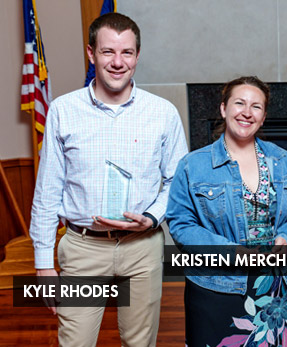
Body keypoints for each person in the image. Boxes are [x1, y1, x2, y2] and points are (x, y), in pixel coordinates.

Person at [29, 12, 188, 346]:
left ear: (137, 55)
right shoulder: (63, 110)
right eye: (107, 52)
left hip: (142, 248)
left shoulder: (162, 113)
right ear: (91, 54)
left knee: (140, 342)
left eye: (126, 52)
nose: (118, 62)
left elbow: (177, 181)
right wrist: (44, 266)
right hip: (83, 248)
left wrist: (152, 217)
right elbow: (47, 193)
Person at [166, 76, 287, 346]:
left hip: (276, 289)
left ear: (263, 117)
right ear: (223, 108)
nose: (247, 112)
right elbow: (181, 223)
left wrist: (286, 237)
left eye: (256, 107)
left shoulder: (284, 160)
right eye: (239, 103)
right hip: (217, 285)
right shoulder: (193, 165)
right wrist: (229, 251)